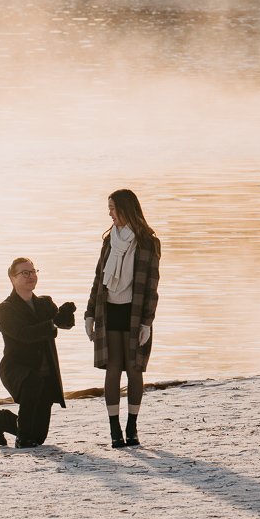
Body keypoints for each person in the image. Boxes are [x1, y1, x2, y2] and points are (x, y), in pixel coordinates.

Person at [85, 188, 160, 449]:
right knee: (114, 367)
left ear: (126, 209)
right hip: (109, 310)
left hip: (135, 312)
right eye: (109, 208)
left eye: (113, 208)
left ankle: (132, 425)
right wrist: (89, 313)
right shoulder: (109, 240)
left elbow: (151, 285)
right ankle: (114, 427)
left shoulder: (148, 242)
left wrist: (147, 322)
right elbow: (98, 278)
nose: (109, 213)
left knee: (135, 369)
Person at [0, 257, 75, 448]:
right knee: (32, 383)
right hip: (18, 369)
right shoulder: (3, 309)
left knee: (38, 437)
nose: (31, 276)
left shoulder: (45, 303)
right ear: (12, 278)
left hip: (46, 371)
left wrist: (67, 316)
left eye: (33, 271)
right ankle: (22, 439)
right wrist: (53, 322)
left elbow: (63, 325)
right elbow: (24, 334)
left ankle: (1, 419)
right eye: (25, 273)